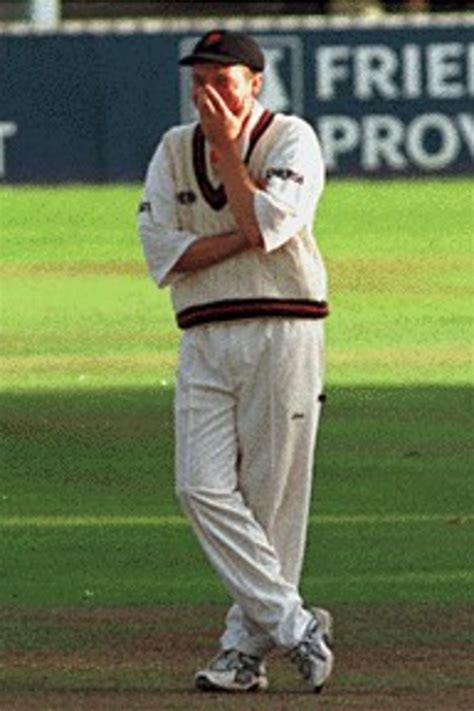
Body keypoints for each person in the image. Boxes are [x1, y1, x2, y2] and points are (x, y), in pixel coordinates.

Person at [138, 29, 333, 693]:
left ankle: (241, 652)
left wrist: (228, 156)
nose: (207, 93)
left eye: (222, 81)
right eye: (199, 81)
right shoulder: (170, 150)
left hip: (284, 331)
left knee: (271, 498)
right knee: (199, 486)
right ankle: (295, 623)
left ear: (255, 82)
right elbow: (164, 255)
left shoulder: (291, 139)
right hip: (204, 337)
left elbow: (269, 227)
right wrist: (242, 234)